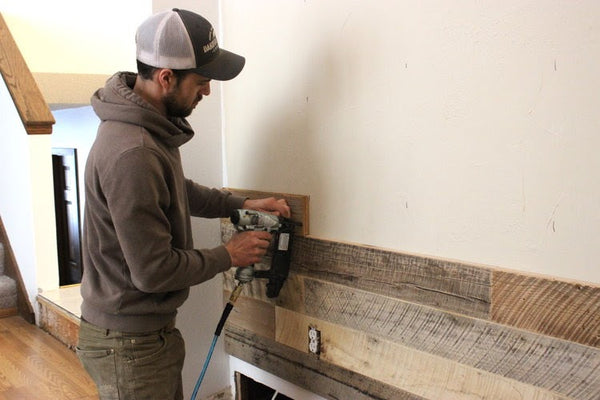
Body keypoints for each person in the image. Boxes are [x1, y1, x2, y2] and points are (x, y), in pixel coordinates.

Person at [76, 8, 290, 400]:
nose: (207, 91)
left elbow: (178, 190)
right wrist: (229, 254)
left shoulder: (149, 128)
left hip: (140, 337)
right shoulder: (133, 152)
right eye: (202, 81)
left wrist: (241, 202)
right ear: (166, 78)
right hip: (128, 345)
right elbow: (154, 272)